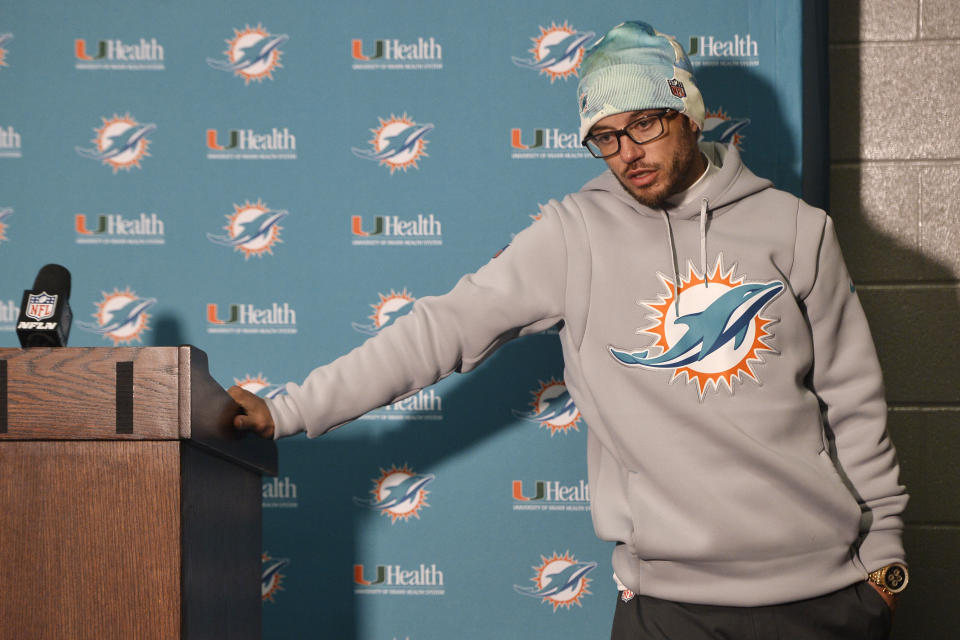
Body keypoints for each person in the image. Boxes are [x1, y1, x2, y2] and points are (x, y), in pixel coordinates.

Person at [230, 21, 908, 639]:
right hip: (669, 610)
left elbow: (854, 400)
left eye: (643, 124)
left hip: (827, 596)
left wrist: (886, 561)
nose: (626, 153)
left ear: (688, 113)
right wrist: (289, 409)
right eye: (605, 138)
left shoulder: (795, 229)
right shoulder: (573, 237)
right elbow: (438, 331)